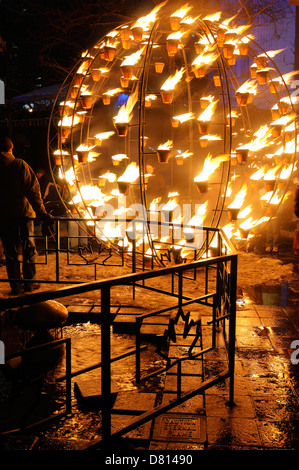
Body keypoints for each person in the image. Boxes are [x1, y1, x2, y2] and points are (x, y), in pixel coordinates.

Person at [0, 136, 54, 295]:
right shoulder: (19, 165)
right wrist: (42, 213)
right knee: (28, 248)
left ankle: (15, 286)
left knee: (10, 251)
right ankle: (29, 283)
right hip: (23, 215)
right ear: (11, 148)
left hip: (4, 217)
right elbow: (33, 192)